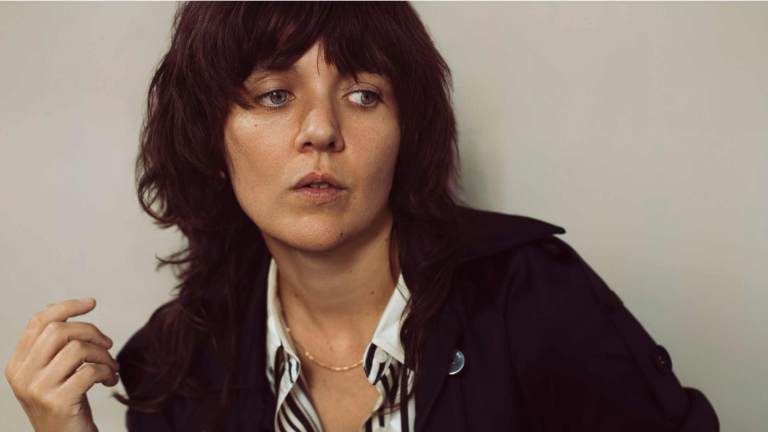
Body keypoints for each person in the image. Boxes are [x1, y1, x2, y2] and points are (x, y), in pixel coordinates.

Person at [5, 2, 719, 432]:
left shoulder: (531, 295)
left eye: (364, 95)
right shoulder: (175, 366)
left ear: (407, 134)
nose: (321, 130)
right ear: (211, 141)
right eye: (275, 95)